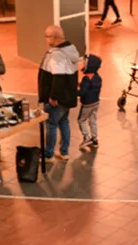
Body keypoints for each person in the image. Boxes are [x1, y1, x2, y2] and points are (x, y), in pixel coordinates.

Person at [39, 25, 80, 162]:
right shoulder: (70, 50)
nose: (45, 39)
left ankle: (48, 155)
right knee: (64, 122)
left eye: (47, 36)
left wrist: (53, 97)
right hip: (68, 96)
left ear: (53, 38)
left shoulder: (57, 55)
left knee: (51, 125)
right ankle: (64, 152)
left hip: (57, 100)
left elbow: (58, 77)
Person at [78, 54, 102, 149]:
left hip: (87, 104)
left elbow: (83, 92)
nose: (83, 64)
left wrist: (73, 92)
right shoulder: (98, 77)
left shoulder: (86, 78)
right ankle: (95, 139)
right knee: (93, 120)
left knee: (81, 120)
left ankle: (86, 137)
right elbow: (91, 88)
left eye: (84, 63)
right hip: (96, 103)